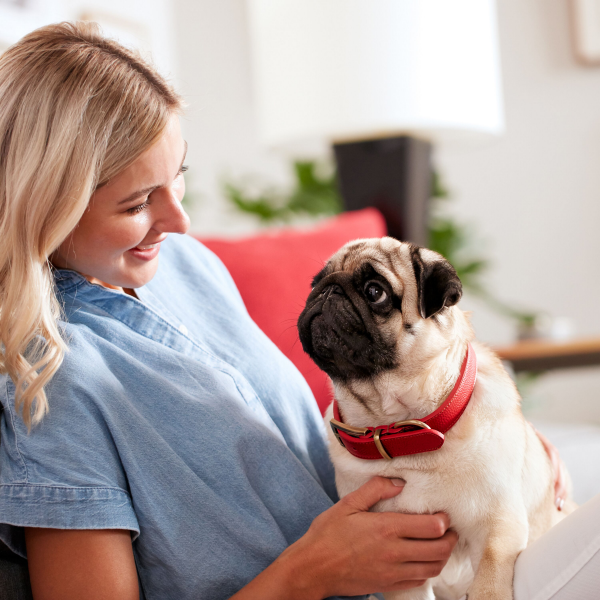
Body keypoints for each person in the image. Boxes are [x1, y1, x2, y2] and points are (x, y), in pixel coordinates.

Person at [0, 22, 580, 600]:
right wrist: (311, 571)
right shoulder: (51, 383)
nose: (181, 221)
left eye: (178, 176)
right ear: (49, 204)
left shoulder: (185, 265)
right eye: (136, 203)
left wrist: (508, 457)